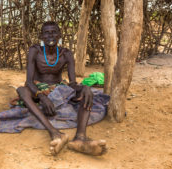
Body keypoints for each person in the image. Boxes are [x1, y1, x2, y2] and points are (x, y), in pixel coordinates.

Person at [16, 21, 106, 155]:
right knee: (21, 90)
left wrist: (84, 88)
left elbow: (73, 83)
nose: (50, 35)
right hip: (38, 87)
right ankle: (55, 133)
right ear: (41, 36)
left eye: (53, 32)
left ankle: (80, 138)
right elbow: (28, 82)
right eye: (46, 32)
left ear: (59, 35)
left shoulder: (66, 54)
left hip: (59, 89)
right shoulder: (35, 51)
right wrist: (41, 96)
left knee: (87, 92)